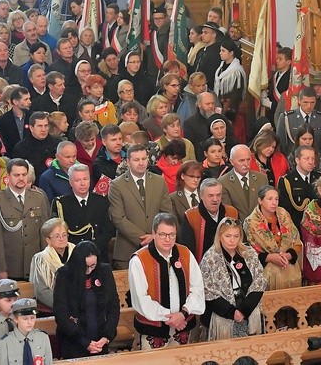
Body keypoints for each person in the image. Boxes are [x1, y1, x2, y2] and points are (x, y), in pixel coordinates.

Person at [128, 213, 205, 349]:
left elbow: (197, 289)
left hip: (183, 326)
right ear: (154, 233)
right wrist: (170, 318)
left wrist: (183, 314)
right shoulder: (139, 260)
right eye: (163, 234)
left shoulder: (185, 253)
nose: (167, 239)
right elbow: (141, 300)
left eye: (172, 235)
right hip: (154, 330)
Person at [199, 217, 267, 340]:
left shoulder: (249, 253)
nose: (232, 240)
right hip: (223, 317)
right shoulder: (210, 258)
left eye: (236, 236)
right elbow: (207, 290)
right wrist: (232, 312)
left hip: (249, 312)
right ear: (220, 236)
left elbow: (260, 281)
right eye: (228, 236)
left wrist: (245, 310)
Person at [108, 144, 173, 269]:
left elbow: (167, 213)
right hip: (127, 253)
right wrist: (144, 239)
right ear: (128, 162)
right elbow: (118, 218)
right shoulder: (117, 185)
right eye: (136, 160)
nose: (141, 163)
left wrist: (155, 236)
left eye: (144, 159)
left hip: (159, 249)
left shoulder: (159, 181)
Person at [0, 158, 50, 280]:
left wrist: (44, 262)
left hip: (34, 265)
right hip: (11, 267)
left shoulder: (38, 197)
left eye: (24, 174)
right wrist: (1, 268)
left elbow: (44, 233)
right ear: (8, 176)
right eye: (16, 175)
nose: (21, 178)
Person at [53, 240, 120, 358]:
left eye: (93, 265)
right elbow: (61, 312)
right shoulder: (64, 275)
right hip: (73, 341)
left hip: (100, 341)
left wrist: (106, 337)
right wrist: (84, 341)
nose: (89, 270)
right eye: (85, 266)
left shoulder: (104, 271)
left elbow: (113, 306)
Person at [50, 163, 114, 262]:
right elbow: (59, 233)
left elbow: (108, 230)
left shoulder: (101, 201)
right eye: (78, 180)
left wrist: (92, 250)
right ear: (70, 182)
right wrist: (80, 252)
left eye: (85, 179)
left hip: (98, 254)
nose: (82, 183)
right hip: (73, 256)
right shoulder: (61, 203)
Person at [244, 185, 302, 291]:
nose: (274, 202)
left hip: (289, 269)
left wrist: (288, 255)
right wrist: (270, 257)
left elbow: (297, 240)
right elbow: (248, 251)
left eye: (276, 199)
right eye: (270, 199)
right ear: (260, 200)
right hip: (267, 273)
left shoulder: (284, 214)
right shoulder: (250, 222)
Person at [28, 218, 75, 308]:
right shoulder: (40, 259)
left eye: (64, 235)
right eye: (57, 236)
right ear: (48, 240)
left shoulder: (77, 252)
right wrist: (63, 306)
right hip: (54, 306)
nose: (61, 239)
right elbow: (42, 291)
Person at [276, 87, 321, 158]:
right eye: (305, 102)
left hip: (314, 162)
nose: (309, 106)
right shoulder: (286, 118)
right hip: (292, 161)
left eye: (312, 102)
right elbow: (280, 145)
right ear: (299, 101)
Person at [219, 145, 269, 221]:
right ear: (232, 162)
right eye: (241, 160)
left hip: (260, 227)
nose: (246, 164)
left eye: (248, 160)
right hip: (237, 227)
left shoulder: (262, 179)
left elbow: (266, 206)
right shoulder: (223, 182)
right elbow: (228, 212)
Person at [0, 298, 53, 364]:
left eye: (32, 318)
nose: (30, 322)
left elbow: (49, 362)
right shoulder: (6, 343)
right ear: (16, 319)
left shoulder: (43, 338)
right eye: (25, 319)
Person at [277, 145, 319, 228]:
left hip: (318, 227)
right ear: (297, 160)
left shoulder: (319, 178)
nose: (311, 162)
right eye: (306, 158)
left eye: (313, 159)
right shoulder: (287, 181)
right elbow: (285, 210)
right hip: (297, 226)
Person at [12, 111, 60, 183]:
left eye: (46, 126)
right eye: (40, 126)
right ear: (31, 128)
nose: (43, 129)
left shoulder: (58, 144)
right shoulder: (21, 148)